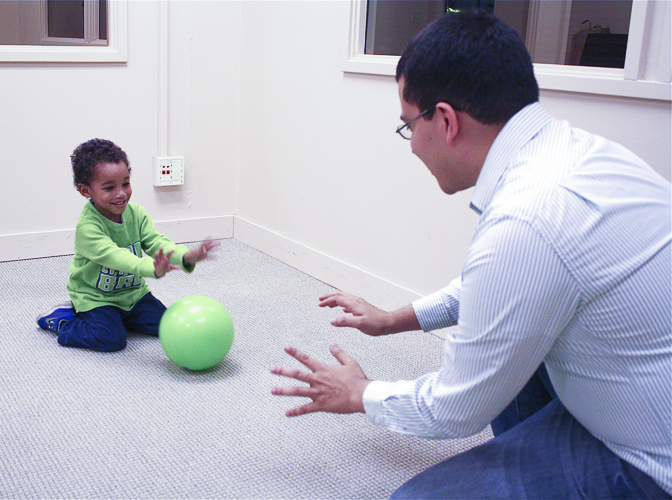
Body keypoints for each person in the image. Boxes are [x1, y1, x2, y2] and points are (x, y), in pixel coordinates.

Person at [271, 10, 671, 499]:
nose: (412, 145)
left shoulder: (528, 217)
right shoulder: (573, 152)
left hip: (650, 461)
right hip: (636, 394)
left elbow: (455, 409)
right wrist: (393, 319)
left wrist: (359, 393)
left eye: (408, 126)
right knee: (501, 339)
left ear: (445, 120)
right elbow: (503, 290)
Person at [37, 138, 218, 352]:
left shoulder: (137, 214)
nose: (121, 193)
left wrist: (184, 256)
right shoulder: (88, 228)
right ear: (86, 191)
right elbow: (117, 257)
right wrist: (152, 269)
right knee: (112, 339)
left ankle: (122, 319)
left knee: (169, 325)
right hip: (96, 298)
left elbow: (157, 242)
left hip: (133, 294)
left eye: (126, 183)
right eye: (109, 187)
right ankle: (64, 321)